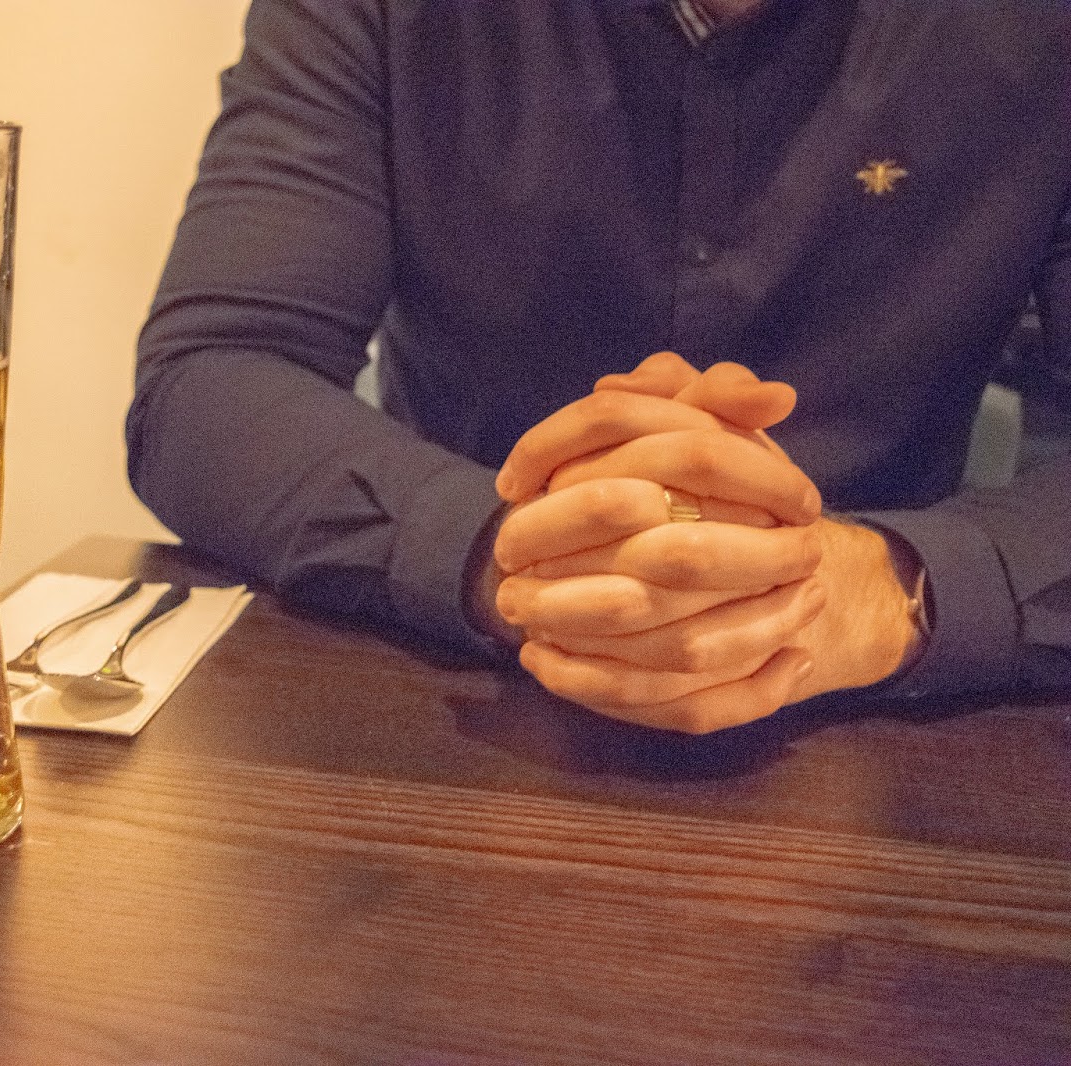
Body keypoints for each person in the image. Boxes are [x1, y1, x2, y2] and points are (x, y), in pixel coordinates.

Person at [125, 0, 1071, 733]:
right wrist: (519, 556)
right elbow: (212, 379)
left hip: (891, 732)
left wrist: (874, 591)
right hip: (443, 701)